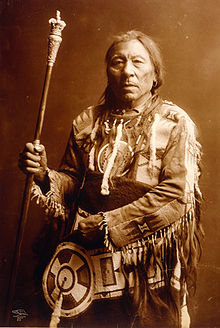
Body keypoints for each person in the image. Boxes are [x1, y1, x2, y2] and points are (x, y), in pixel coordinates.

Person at [19, 30, 203, 328]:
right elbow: (71, 182)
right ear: (108, 71)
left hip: (146, 270)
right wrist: (43, 174)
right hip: (87, 268)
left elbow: (176, 194)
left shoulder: (174, 123)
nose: (127, 71)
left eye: (138, 62)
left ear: (155, 74)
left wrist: (109, 224)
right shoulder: (87, 122)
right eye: (118, 62)